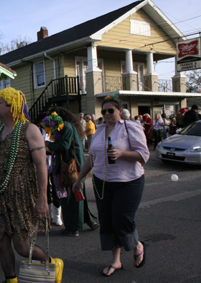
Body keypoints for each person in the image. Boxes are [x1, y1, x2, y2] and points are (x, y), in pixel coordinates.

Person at [0, 87, 57, 283]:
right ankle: (11, 280)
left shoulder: (29, 129)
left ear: (10, 107)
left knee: (22, 246)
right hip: (1, 196)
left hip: (22, 195)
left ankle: (52, 264)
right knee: (1, 243)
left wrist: (43, 198)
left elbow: (42, 165)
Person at [72, 95, 149, 276]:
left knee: (121, 218)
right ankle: (116, 261)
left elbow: (144, 155)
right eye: (104, 111)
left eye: (111, 110)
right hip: (102, 181)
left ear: (120, 112)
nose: (107, 114)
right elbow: (91, 158)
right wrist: (79, 179)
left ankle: (137, 245)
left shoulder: (131, 127)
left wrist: (122, 153)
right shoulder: (99, 129)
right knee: (107, 221)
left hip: (128, 181)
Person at [45, 108, 99, 237]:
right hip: (74, 166)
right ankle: (89, 221)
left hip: (70, 167)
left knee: (70, 197)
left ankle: (73, 228)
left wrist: (48, 144)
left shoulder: (66, 127)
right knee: (78, 195)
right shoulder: (68, 126)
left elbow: (64, 145)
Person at [38, 113, 63, 227]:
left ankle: (57, 215)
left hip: (53, 162)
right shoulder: (38, 132)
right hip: (42, 164)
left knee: (56, 189)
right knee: (45, 190)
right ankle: (48, 215)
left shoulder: (54, 132)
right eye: (43, 121)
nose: (44, 123)